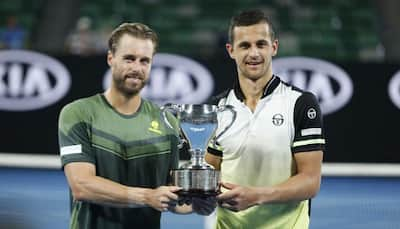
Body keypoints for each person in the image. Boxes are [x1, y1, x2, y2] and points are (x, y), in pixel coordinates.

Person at [58, 22, 214, 229]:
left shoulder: (167, 122)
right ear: (110, 58)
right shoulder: (78, 113)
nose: (136, 68)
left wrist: (196, 203)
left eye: (144, 61)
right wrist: (147, 196)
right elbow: (82, 186)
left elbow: (169, 195)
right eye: (129, 59)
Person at [205, 10, 325, 228]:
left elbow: (310, 181)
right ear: (231, 51)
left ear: (274, 47)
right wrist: (189, 196)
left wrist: (256, 196)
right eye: (245, 45)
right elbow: (209, 173)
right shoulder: (217, 108)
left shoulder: (301, 103)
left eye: (261, 44)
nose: (254, 53)